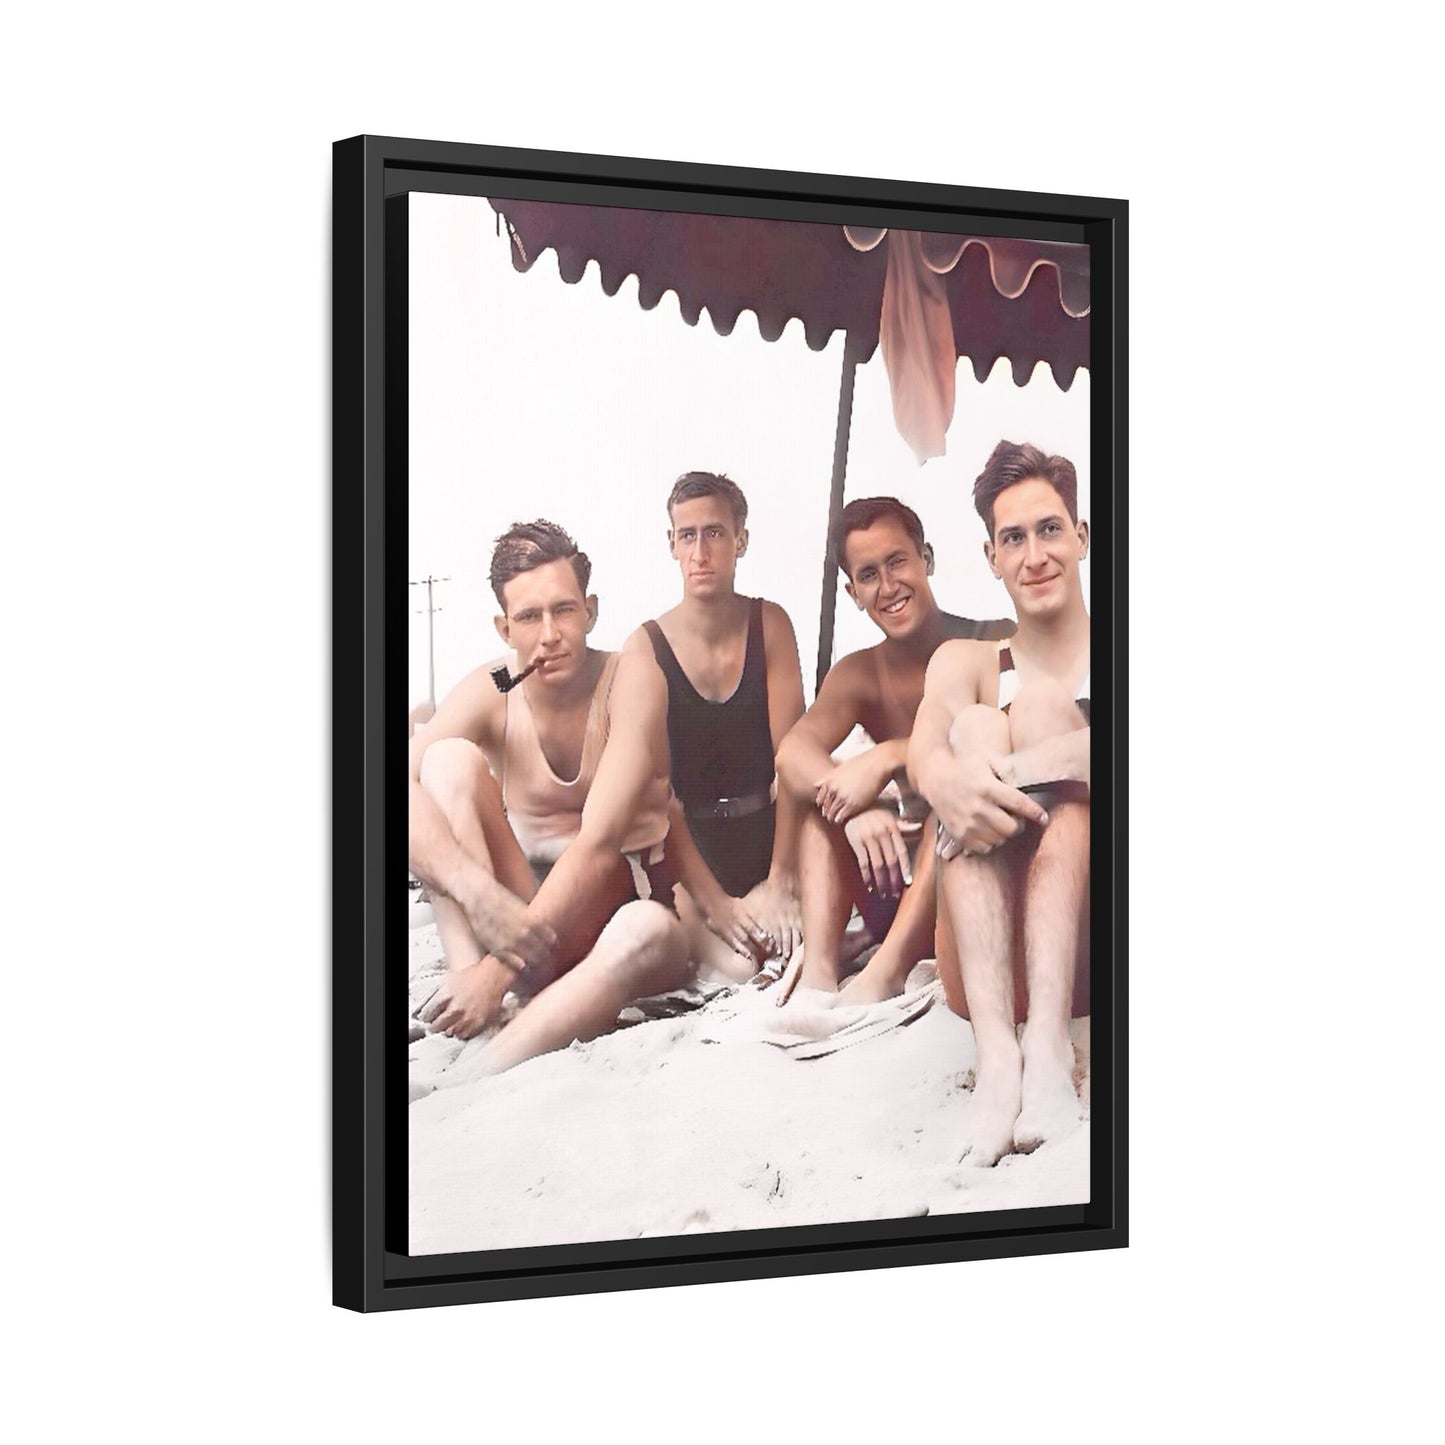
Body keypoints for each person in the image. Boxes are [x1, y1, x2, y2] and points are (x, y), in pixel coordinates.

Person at [407, 520, 690, 1075]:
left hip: (610, 928)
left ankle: (470, 1072)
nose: (549, 634)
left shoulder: (630, 676)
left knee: (649, 930)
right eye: (529, 617)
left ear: (591, 610)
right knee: (444, 761)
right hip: (513, 920)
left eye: (564, 610)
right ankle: (473, 1008)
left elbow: (601, 839)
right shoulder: (496, 684)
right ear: (503, 627)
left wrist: (499, 974)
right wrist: (476, 894)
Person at [907, 441, 1091, 1166]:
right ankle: (999, 1058)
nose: (1034, 554)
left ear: (1081, 536)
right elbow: (926, 752)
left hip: (1091, 944)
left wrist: (1012, 772)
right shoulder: (964, 660)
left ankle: (1044, 1042)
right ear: (990, 556)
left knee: (1041, 712)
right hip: (983, 960)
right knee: (974, 723)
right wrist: (951, 778)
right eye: (1012, 538)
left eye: (1049, 529)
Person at [775, 497, 1012, 997]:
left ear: (926, 558)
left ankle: (887, 974)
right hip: (893, 882)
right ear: (853, 592)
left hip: (973, 874)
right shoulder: (860, 673)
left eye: (897, 561)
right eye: (868, 575)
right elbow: (792, 754)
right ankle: (819, 977)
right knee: (822, 811)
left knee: (943, 808)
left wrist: (887, 756)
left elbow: (1014, 740)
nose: (888, 587)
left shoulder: (993, 642)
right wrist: (851, 810)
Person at [624, 471, 806, 973]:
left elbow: (794, 759)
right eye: (688, 535)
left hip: (767, 836)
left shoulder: (770, 624)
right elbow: (657, 790)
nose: (700, 552)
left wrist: (782, 877)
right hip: (688, 853)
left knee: (792, 950)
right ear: (671, 544)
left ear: (740, 540)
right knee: (739, 973)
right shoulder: (646, 646)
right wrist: (715, 903)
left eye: (715, 533)